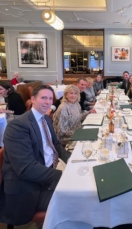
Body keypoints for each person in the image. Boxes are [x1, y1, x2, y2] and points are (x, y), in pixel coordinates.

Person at [0, 85, 71, 226]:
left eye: (50, 98)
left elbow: (55, 144)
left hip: (50, 168)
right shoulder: (18, 126)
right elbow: (26, 168)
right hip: (28, 185)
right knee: (75, 198)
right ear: (33, 99)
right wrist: (63, 176)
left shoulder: (46, 120)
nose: (47, 102)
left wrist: (72, 160)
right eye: (43, 98)